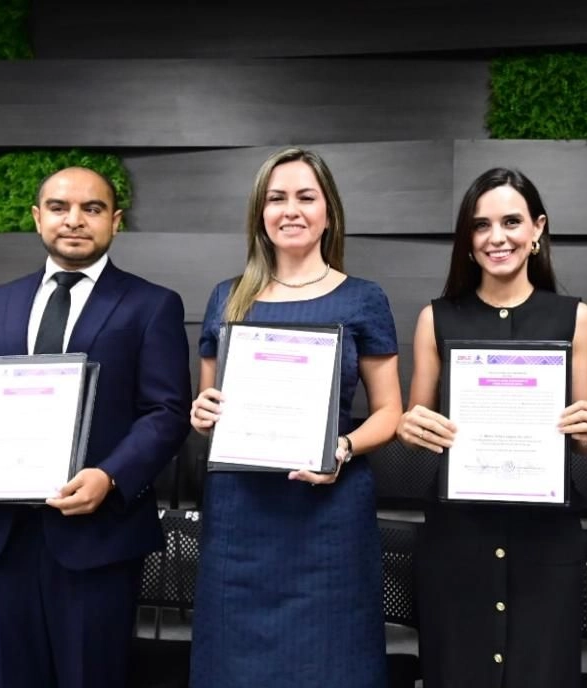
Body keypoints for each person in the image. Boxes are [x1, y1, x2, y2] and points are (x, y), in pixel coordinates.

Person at [0, 166, 190, 687]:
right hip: (0, 533)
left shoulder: (151, 305)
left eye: (92, 209)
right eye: (59, 207)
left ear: (115, 222)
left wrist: (111, 477)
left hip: (98, 535)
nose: (74, 220)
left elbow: (166, 411)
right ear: (37, 217)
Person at [188, 147, 402, 687]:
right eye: (276, 198)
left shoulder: (363, 298)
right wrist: (202, 411)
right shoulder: (227, 297)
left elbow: (390, 413)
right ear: (259, 213)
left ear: (329, 210)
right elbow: (207, 405)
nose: (291, 210)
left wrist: (344, 448)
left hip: (328, 510)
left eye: (306, 197)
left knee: (332, 660)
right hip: (241, 516)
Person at [395, 168, 587, 687]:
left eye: (512, 222)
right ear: (467, 241)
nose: (498, 237)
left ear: (537, 229)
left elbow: (584, 439)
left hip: (545, 542)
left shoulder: (574, 317)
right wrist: (412, 428)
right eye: (481, 225)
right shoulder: (436, 317)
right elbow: (414, 422)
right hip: (457, 538)